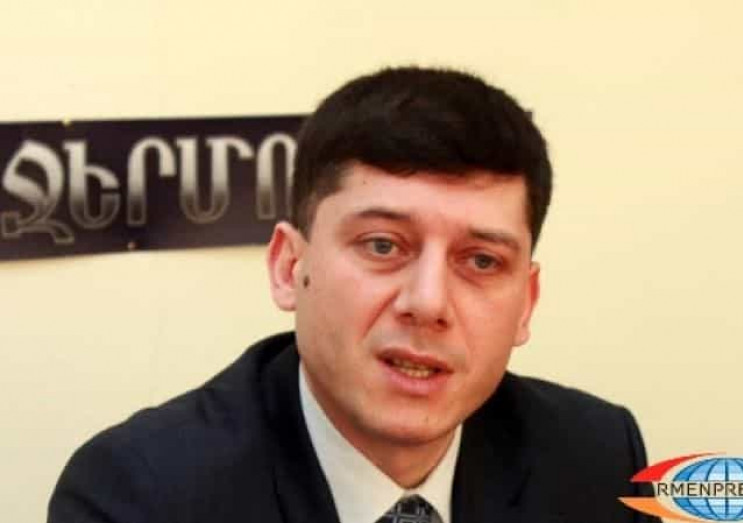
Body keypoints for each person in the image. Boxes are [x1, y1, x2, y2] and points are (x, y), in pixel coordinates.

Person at [49, 67, 658, 523]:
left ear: (526, 303)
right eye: (383, 246)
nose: (428, 303)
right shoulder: (141, 495)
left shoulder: (597, 456)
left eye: (481, 261)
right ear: (290, 267)